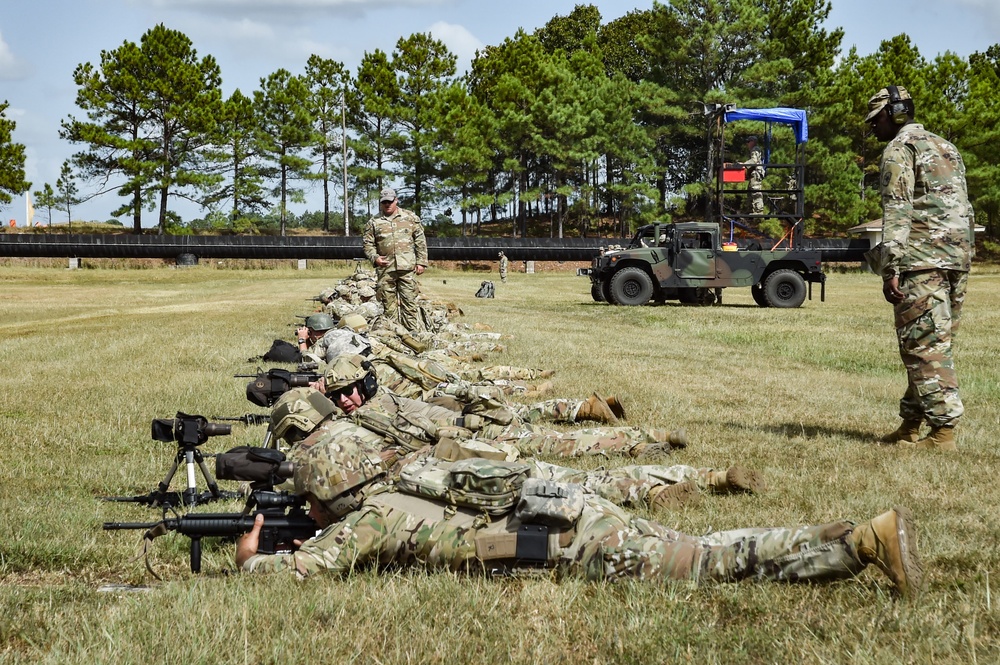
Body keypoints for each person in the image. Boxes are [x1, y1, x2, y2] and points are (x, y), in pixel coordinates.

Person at [235, 430, 922, 599]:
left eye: (313, 496)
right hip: (565, 514)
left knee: (711, 561)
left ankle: (861, 541)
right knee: (708, 548)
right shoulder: (408, 485)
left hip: (571, 541)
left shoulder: (373, 517)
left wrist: (251, 559)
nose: (312, 506)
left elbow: (296, 573)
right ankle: (854, 539)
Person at [865, 86, 975, 451]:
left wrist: (890, 267)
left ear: (894, 115)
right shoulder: (947, 146)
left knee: (924, 346)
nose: (873, 129)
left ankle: (943, 433)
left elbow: (897, 210)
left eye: (876, 120)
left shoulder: (899, 148)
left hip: (921, 260)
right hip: (956, 258)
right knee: (935, 340)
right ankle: (911, 422)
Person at [314, 354, 689, 459]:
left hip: (477, 427)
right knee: (548, 436)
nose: (345, 400)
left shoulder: (376, 404)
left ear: (365, 384)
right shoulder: (369, 406)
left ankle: (640, 439)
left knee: (552, 442)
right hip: (472, 426)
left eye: (349, 391)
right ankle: (645, 439)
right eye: (337, 396)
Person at [363, 187, 428, 332]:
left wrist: (421, 262)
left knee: (409, 303)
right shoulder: (374, 222)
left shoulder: (410, 218)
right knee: (388, 306)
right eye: (384, 202)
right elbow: (368, 244)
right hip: (386, 269)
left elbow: (420, 241)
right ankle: (393, 335)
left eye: (390, 201)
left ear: (396, 200)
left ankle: (412, 334)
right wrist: (375, 258)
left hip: (407, 268)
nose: (387, 205)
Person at [744, 135, 764, 215]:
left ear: (752, 142)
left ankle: (758, 211)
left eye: (748, 142)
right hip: (754, 174)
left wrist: (744, 164)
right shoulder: (754, 150)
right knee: (751, 192)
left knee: (756, 191)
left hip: (756, 173)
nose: (747, 144)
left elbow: (754, 160)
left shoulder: (755, 150)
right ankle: (752, 210)